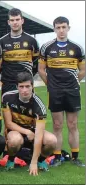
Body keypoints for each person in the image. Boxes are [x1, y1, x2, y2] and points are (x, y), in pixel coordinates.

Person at [38, 16, 85, 167]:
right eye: (58, 27)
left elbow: (83, 70)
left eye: (64, 27)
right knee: (57, 125)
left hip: (72, 91)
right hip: (55, 92)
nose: (61, 30)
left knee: (73, 124)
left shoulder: (77, 48)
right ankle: (57, 157)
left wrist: (74, 83)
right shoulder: (47, 47)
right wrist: (50, 85)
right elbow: (41, 69)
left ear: (68, 28)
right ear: (54, 29)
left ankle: (75, 157)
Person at [2, 72, 58, 175]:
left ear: (32, 86)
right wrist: (27, 132)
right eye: (21, 87)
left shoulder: (39, 106)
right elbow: (8, 123)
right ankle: (11, 159)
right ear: (17, 87)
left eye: (27, 86)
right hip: (15, 130)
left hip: (34, 132)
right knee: (15, 140)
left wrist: (34, 162)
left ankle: (41, 160)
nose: (24, 90)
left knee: (52, 140)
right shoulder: (7, 97)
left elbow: (39, 135)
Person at [0, 8, 40, 95]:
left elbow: (36, 63)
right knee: (7, 109)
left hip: (26, 84)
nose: (15, 22)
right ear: (8, 22)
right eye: (12, 20)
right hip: (7, 84)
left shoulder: (32, 41)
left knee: (28, 109)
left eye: (17, 19)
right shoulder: (1, 42)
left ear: (22, 21)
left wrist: (26, 76)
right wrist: (7, 74)